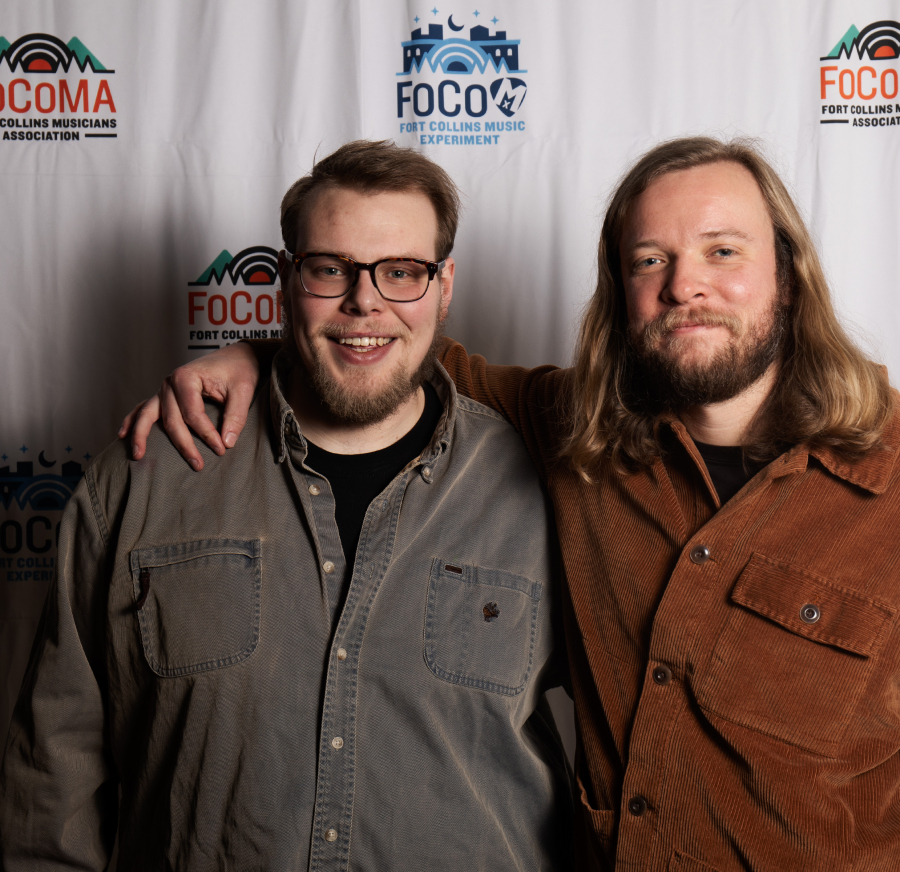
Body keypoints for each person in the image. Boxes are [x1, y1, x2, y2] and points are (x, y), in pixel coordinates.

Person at [121, 137, 900, 870]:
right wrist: (256, 354)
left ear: (788, 269)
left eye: (721, 250)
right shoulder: (583, 437)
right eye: (649, 260)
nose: (685, 285)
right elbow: (394, 347)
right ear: (622, 291)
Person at [0, 141, 572, 870]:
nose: (364, 301)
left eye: (401, 272)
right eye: (331, 269)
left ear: (444, 286)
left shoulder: (543, 488)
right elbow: (53, 776)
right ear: (286, 283)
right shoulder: (144, 481)